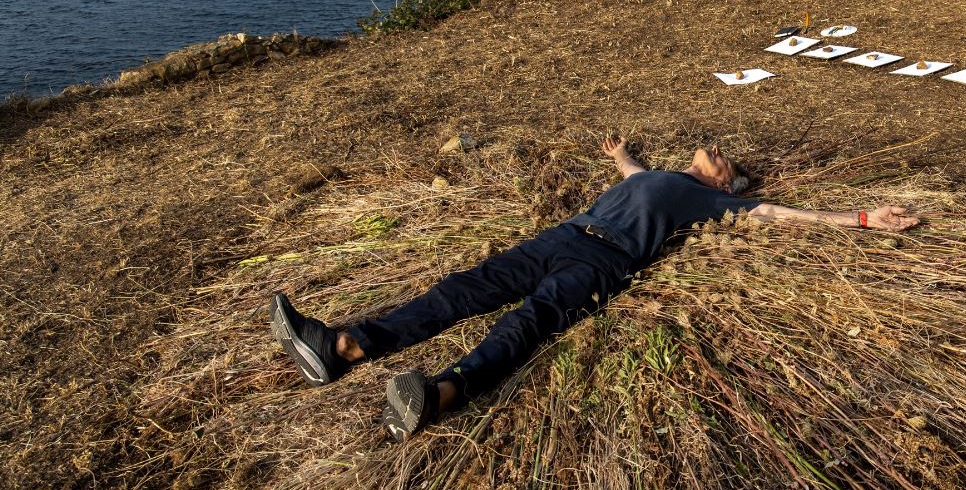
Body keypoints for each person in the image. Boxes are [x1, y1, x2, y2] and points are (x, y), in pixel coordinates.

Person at [270, 137, 922, 442]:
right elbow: (635, 172)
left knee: (527, 324)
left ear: (726, 185)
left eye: (729, 165)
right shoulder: (659, 175)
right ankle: (346, 346)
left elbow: (779, 215)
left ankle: (440, 395)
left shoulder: (705, 201)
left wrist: (864, 219)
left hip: (603, 264)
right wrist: (618, 155)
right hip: (563, 234)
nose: (720, 152)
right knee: (463, 290)